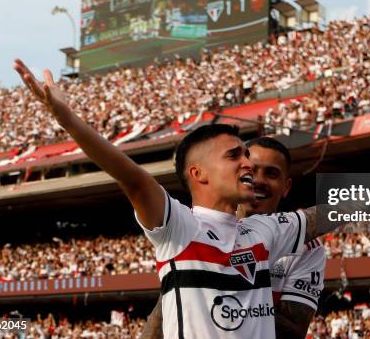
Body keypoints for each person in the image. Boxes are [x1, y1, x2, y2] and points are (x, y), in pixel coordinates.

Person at [14, 59, 370, 339]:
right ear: (198, 174)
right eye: (236, 155)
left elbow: (329, 213)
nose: (248, 163)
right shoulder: (177, 227)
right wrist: (69, 120)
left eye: (249, 154)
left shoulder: (264, 231)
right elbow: (129, 176)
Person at [140, 136, 326, 339]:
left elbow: (291, 330)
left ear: (286, 187)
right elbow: (163, 315)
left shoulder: (309, 247)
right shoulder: (194, 231)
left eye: (271, 173)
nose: (259, 180)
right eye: (251, 170)